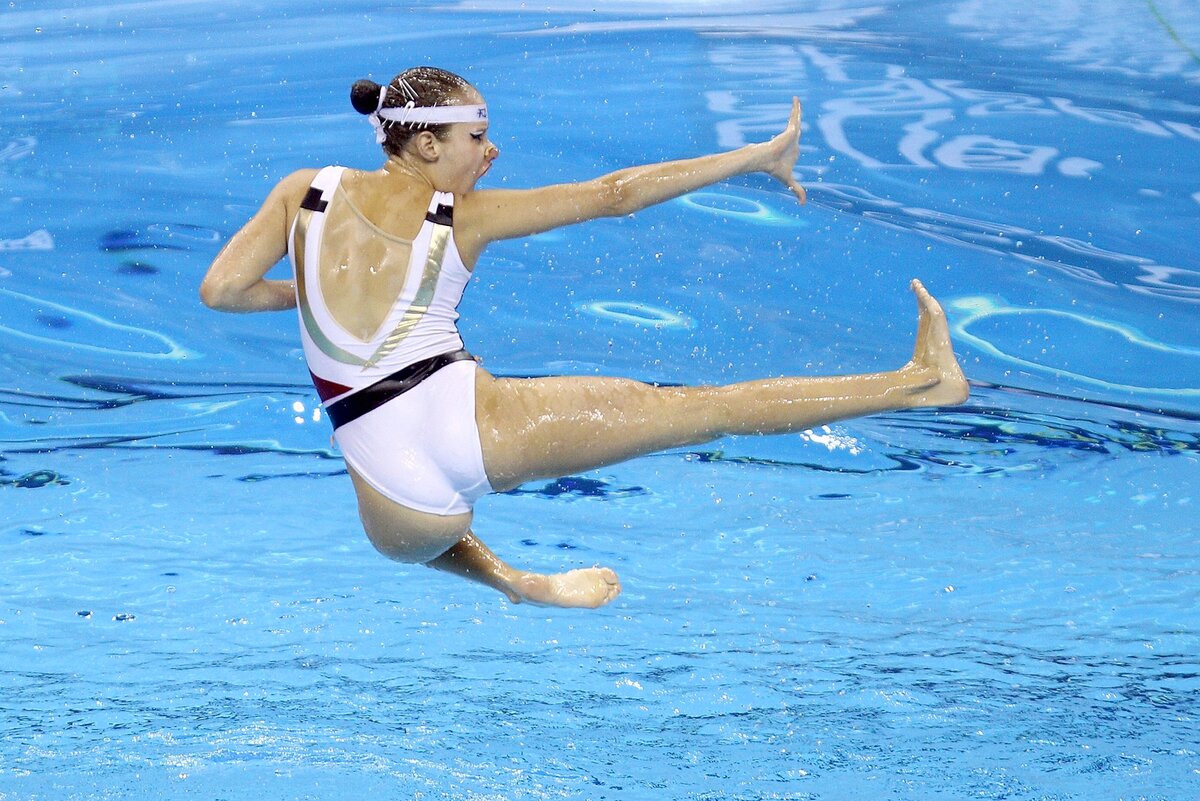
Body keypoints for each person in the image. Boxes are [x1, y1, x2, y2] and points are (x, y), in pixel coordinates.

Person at [200, 66, 968, 610]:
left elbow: (222, 291)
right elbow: (614, 196)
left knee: (430, 529)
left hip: (396, 517)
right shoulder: (461, 218)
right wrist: (756, 156)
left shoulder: (303, 190)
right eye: (478, 135)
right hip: (466, 427)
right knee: (706, 409)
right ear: (427, 145)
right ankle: (922, 381)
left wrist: (314, 298)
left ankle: (518, 583)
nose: (490, 151)